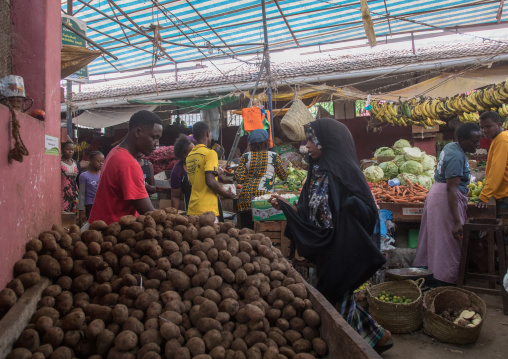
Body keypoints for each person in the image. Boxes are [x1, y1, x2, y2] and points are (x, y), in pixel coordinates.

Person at [269, 118, 390, 353]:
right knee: (338, 295)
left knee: (332, 294)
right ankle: (378, 337)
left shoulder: (345, 175)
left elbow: (366, 212)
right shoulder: (315, 172)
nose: (306, 145)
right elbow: (306, 211)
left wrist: (351, 209)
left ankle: (344, 349)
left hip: (344, 249)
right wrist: (285, 205)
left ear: (328, 142)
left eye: (311, 140)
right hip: (325, 248)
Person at [414, 123, 481, 285]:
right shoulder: (457, 157)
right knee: (447, 243)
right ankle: (443, 282)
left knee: (436, 241)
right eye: (474, 141)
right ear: (463, 140)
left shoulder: (452, 147)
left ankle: (430, 279)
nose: (478, 145)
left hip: (438, 195)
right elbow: (452, 189)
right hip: (445, 199)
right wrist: (457, 221)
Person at [88, 110, 163, 225]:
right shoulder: (128, 164)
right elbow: (149, 213)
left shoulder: (115, 152)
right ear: (138, 132)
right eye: (154, 137)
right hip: (111, 233)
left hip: (102, 226)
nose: (157, 144)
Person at [234, 129, 288, 229]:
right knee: (264, 232)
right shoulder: (274, 156)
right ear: (267, 142)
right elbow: (283, 176)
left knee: (247, 231)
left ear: (251, 144)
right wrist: (285, 165)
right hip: (264, 200)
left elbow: (239, 179)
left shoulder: (245, 157)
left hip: (246, 200)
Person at [186, 121, 234, 218]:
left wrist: (222, 178)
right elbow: (210, 182)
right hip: (207, 210)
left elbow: (202, 172)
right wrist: (226, 194)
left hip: (193, 208)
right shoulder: (210, 153)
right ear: (208, 133)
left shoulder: (190, 156)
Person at [476, 111, 508, 214]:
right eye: (481, 127)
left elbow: (497, 170)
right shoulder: (499, 138)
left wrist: (485, 195)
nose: (484, 130)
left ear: (499, 124)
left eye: (488, 126)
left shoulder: (502, 140)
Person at [78, 151, 104, 225]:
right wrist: (81, 212)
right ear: (91, 161)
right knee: (93, 225)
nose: (101, 163)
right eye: (98, 161)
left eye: (102, 161)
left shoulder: (104, 174)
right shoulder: (84, 176)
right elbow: (82, 194)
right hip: (90, 205)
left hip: (102, 204)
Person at [170, 134, 194, 212]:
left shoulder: (202, 162)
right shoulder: (177, 171)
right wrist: (174, 215)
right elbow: (175, 196)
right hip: (192, 212)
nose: (196, 152)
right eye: (193, 151)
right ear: (184, 155)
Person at [61, 141, 79, 213]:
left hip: (74, 192)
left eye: (72, 149)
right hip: (63, 193)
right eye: (68, 149)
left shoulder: (75, 163)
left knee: (73, 213)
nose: (70, 151)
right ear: (62, 149)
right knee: (64, 212)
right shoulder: (59, 162)